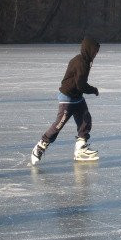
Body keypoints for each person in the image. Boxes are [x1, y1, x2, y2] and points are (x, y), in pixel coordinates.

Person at [31, 37, 100, 165]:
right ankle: (40, 147)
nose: (96, 54)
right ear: (89, 49)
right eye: (95, 51)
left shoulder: (84, 60)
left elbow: (79, 84)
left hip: (77, 97)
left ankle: (80, 148)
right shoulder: (81, 62)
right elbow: (80, 84)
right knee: (58, 125)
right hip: (68, 98)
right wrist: (93, 90)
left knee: (85, 120)